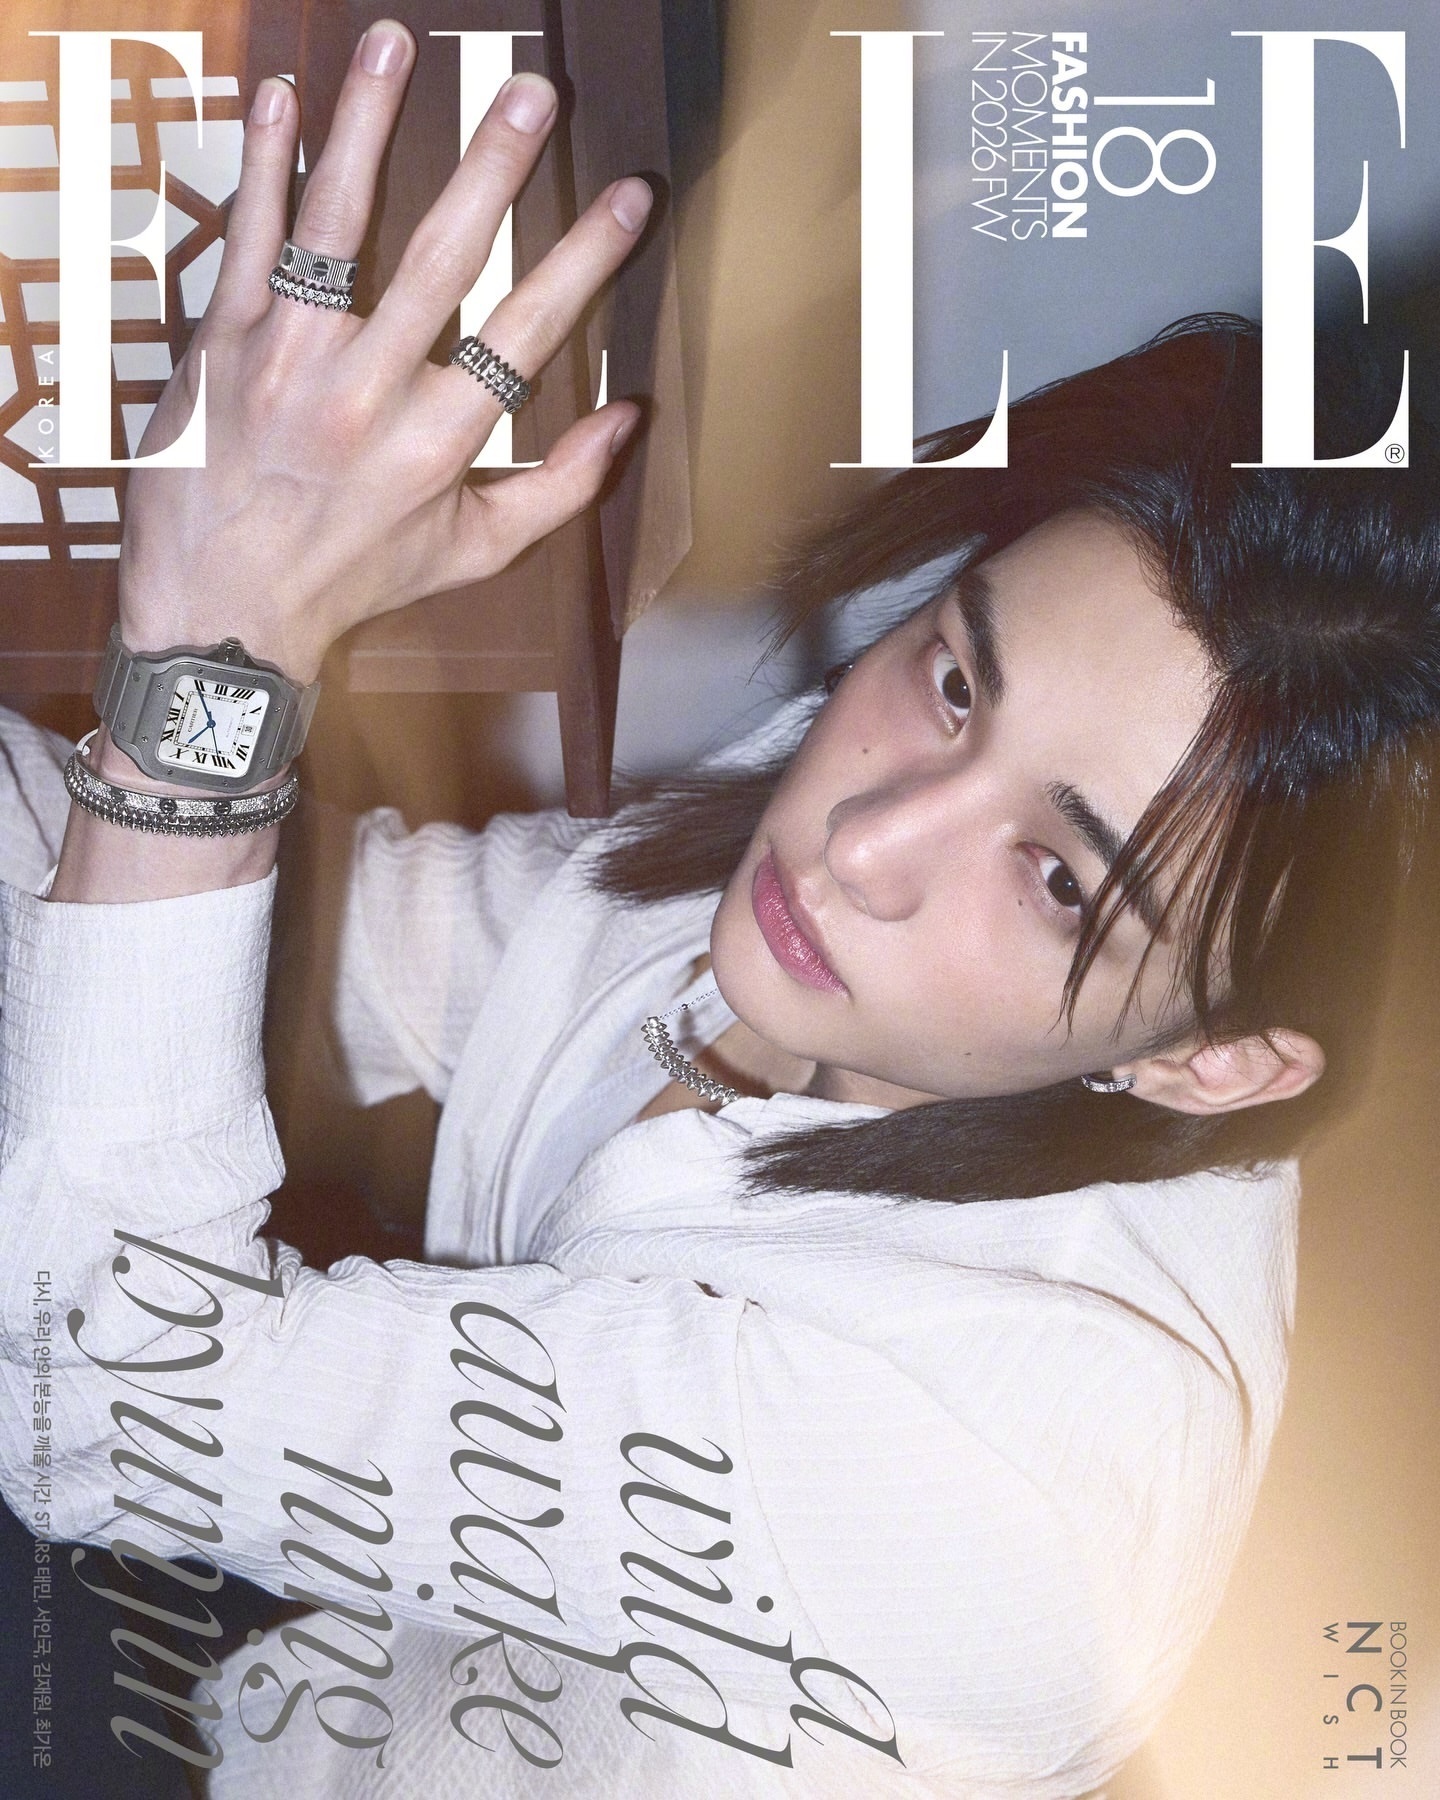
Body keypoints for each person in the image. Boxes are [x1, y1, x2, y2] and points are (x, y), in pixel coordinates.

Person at [0, 19, 1436, 1798]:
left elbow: (104, 1400)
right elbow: (367, 946)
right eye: (956, 677)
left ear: (1213, 1062)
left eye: (1063, 880)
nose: (867, 839)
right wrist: (217, 640)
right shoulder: (872, 863)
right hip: (292, 1672)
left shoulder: (985, 1482)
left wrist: (211, 654)